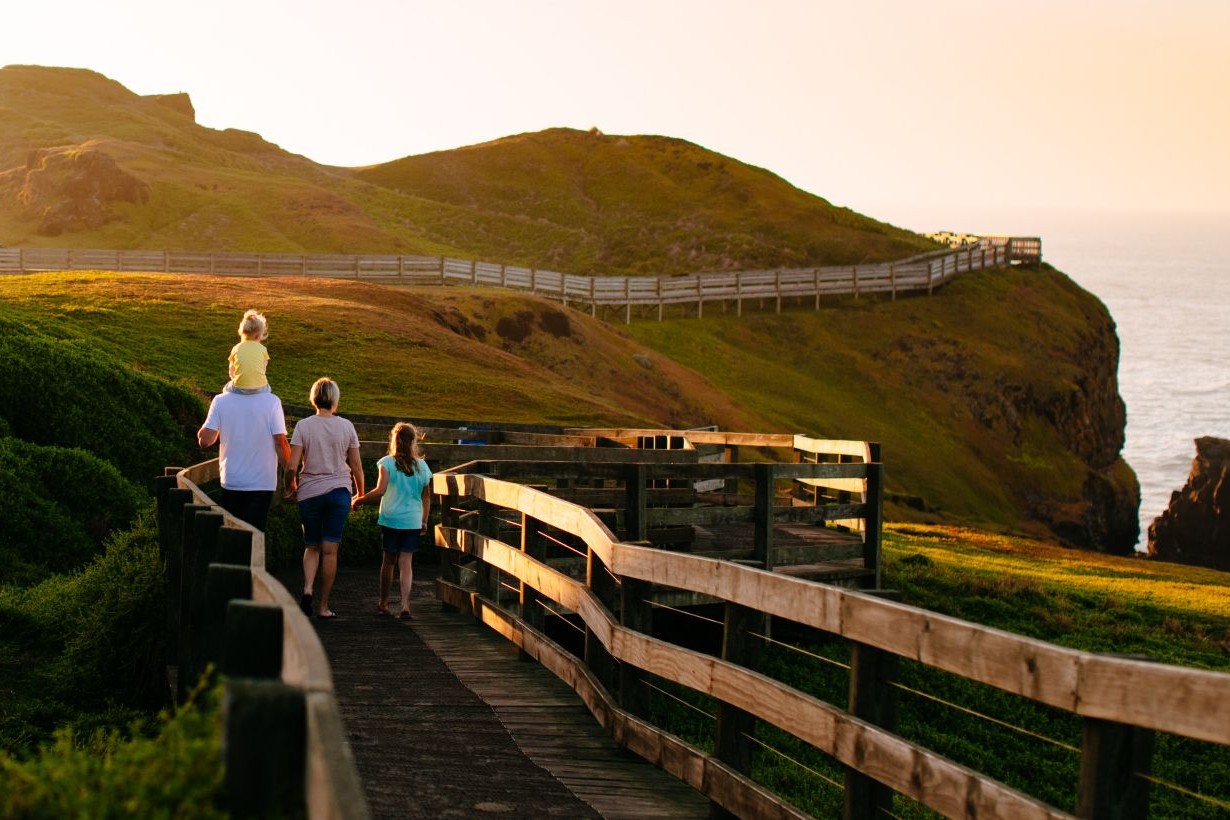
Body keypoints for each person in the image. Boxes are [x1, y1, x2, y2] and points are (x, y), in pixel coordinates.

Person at [284, 377, 364, 620]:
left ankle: (307, 589)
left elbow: (291, 466)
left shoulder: (303, 426)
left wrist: (291, 486)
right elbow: (357, 466)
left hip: (310, 492)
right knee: (330, 550)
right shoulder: (346, 426)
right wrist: (360, 494)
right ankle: (323, 606)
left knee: (311, 546)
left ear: (313, 398)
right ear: (335, 400)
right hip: (339, 492)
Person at [353, 422, 433, 620]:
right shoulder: (422, 467)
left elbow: (380, 491)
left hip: (391, 519)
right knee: (406, 563)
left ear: (394, 441)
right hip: (412, 520)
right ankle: (405, 605)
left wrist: (360, 500)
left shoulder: (387, 463)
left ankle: (383, 603)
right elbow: (426, 496)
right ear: (413, 441)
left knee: (388, 562)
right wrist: (424, 519)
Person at [196, 387, 290, 532]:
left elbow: (205, 441)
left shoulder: (220, 401)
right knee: (255, 533)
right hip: (262, 482)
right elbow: (280, 442)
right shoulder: (272, 402)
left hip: (232, 480)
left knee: (232, 532)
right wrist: (291, 479)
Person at [224, 309, 271, 394]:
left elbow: (231, 371)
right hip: (260, 387)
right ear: (260, 334)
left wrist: (238, 380)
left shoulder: (236, 348)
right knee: (268, 389)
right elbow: (263, 369)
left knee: (226, 388)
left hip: (239, 387)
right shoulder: (263, 349)